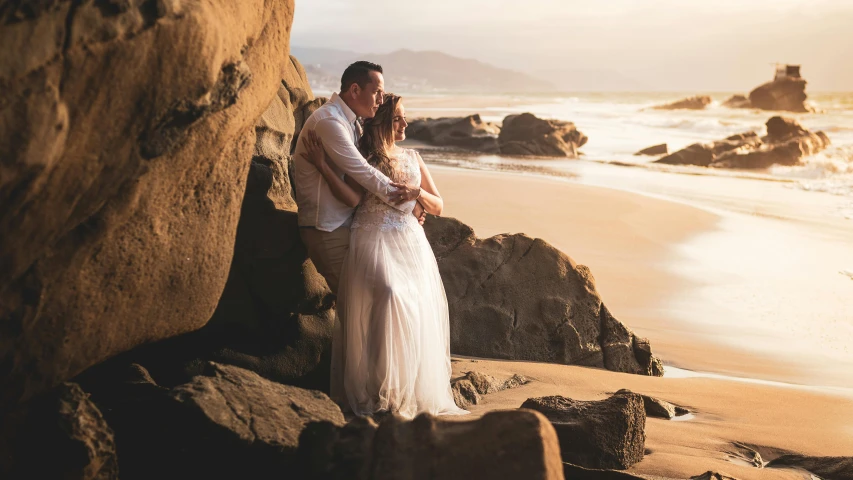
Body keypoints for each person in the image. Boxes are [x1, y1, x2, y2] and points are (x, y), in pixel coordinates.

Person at [301, 93, 468, 419]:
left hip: (410, 241)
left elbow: (439, 205)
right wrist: (322, 166)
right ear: (381, 122)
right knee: (389, 297)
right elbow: (351, 198)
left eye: (404, 118)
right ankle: (377, 390)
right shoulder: (363, 156)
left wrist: (417, 194)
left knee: (415, 308)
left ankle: (406, 390)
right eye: (398, 118)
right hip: (372, 235)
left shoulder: (413, 156)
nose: (405, 123)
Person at [291, 61, 424, 295]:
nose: (381, 100)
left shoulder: (353, 123)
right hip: (327, 228)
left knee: (366, 305)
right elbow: (363, 171)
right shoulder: (330, 122)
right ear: (354, 90)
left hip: (349, 225)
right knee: (357, 302)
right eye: (377, 93)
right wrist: (409, 203)